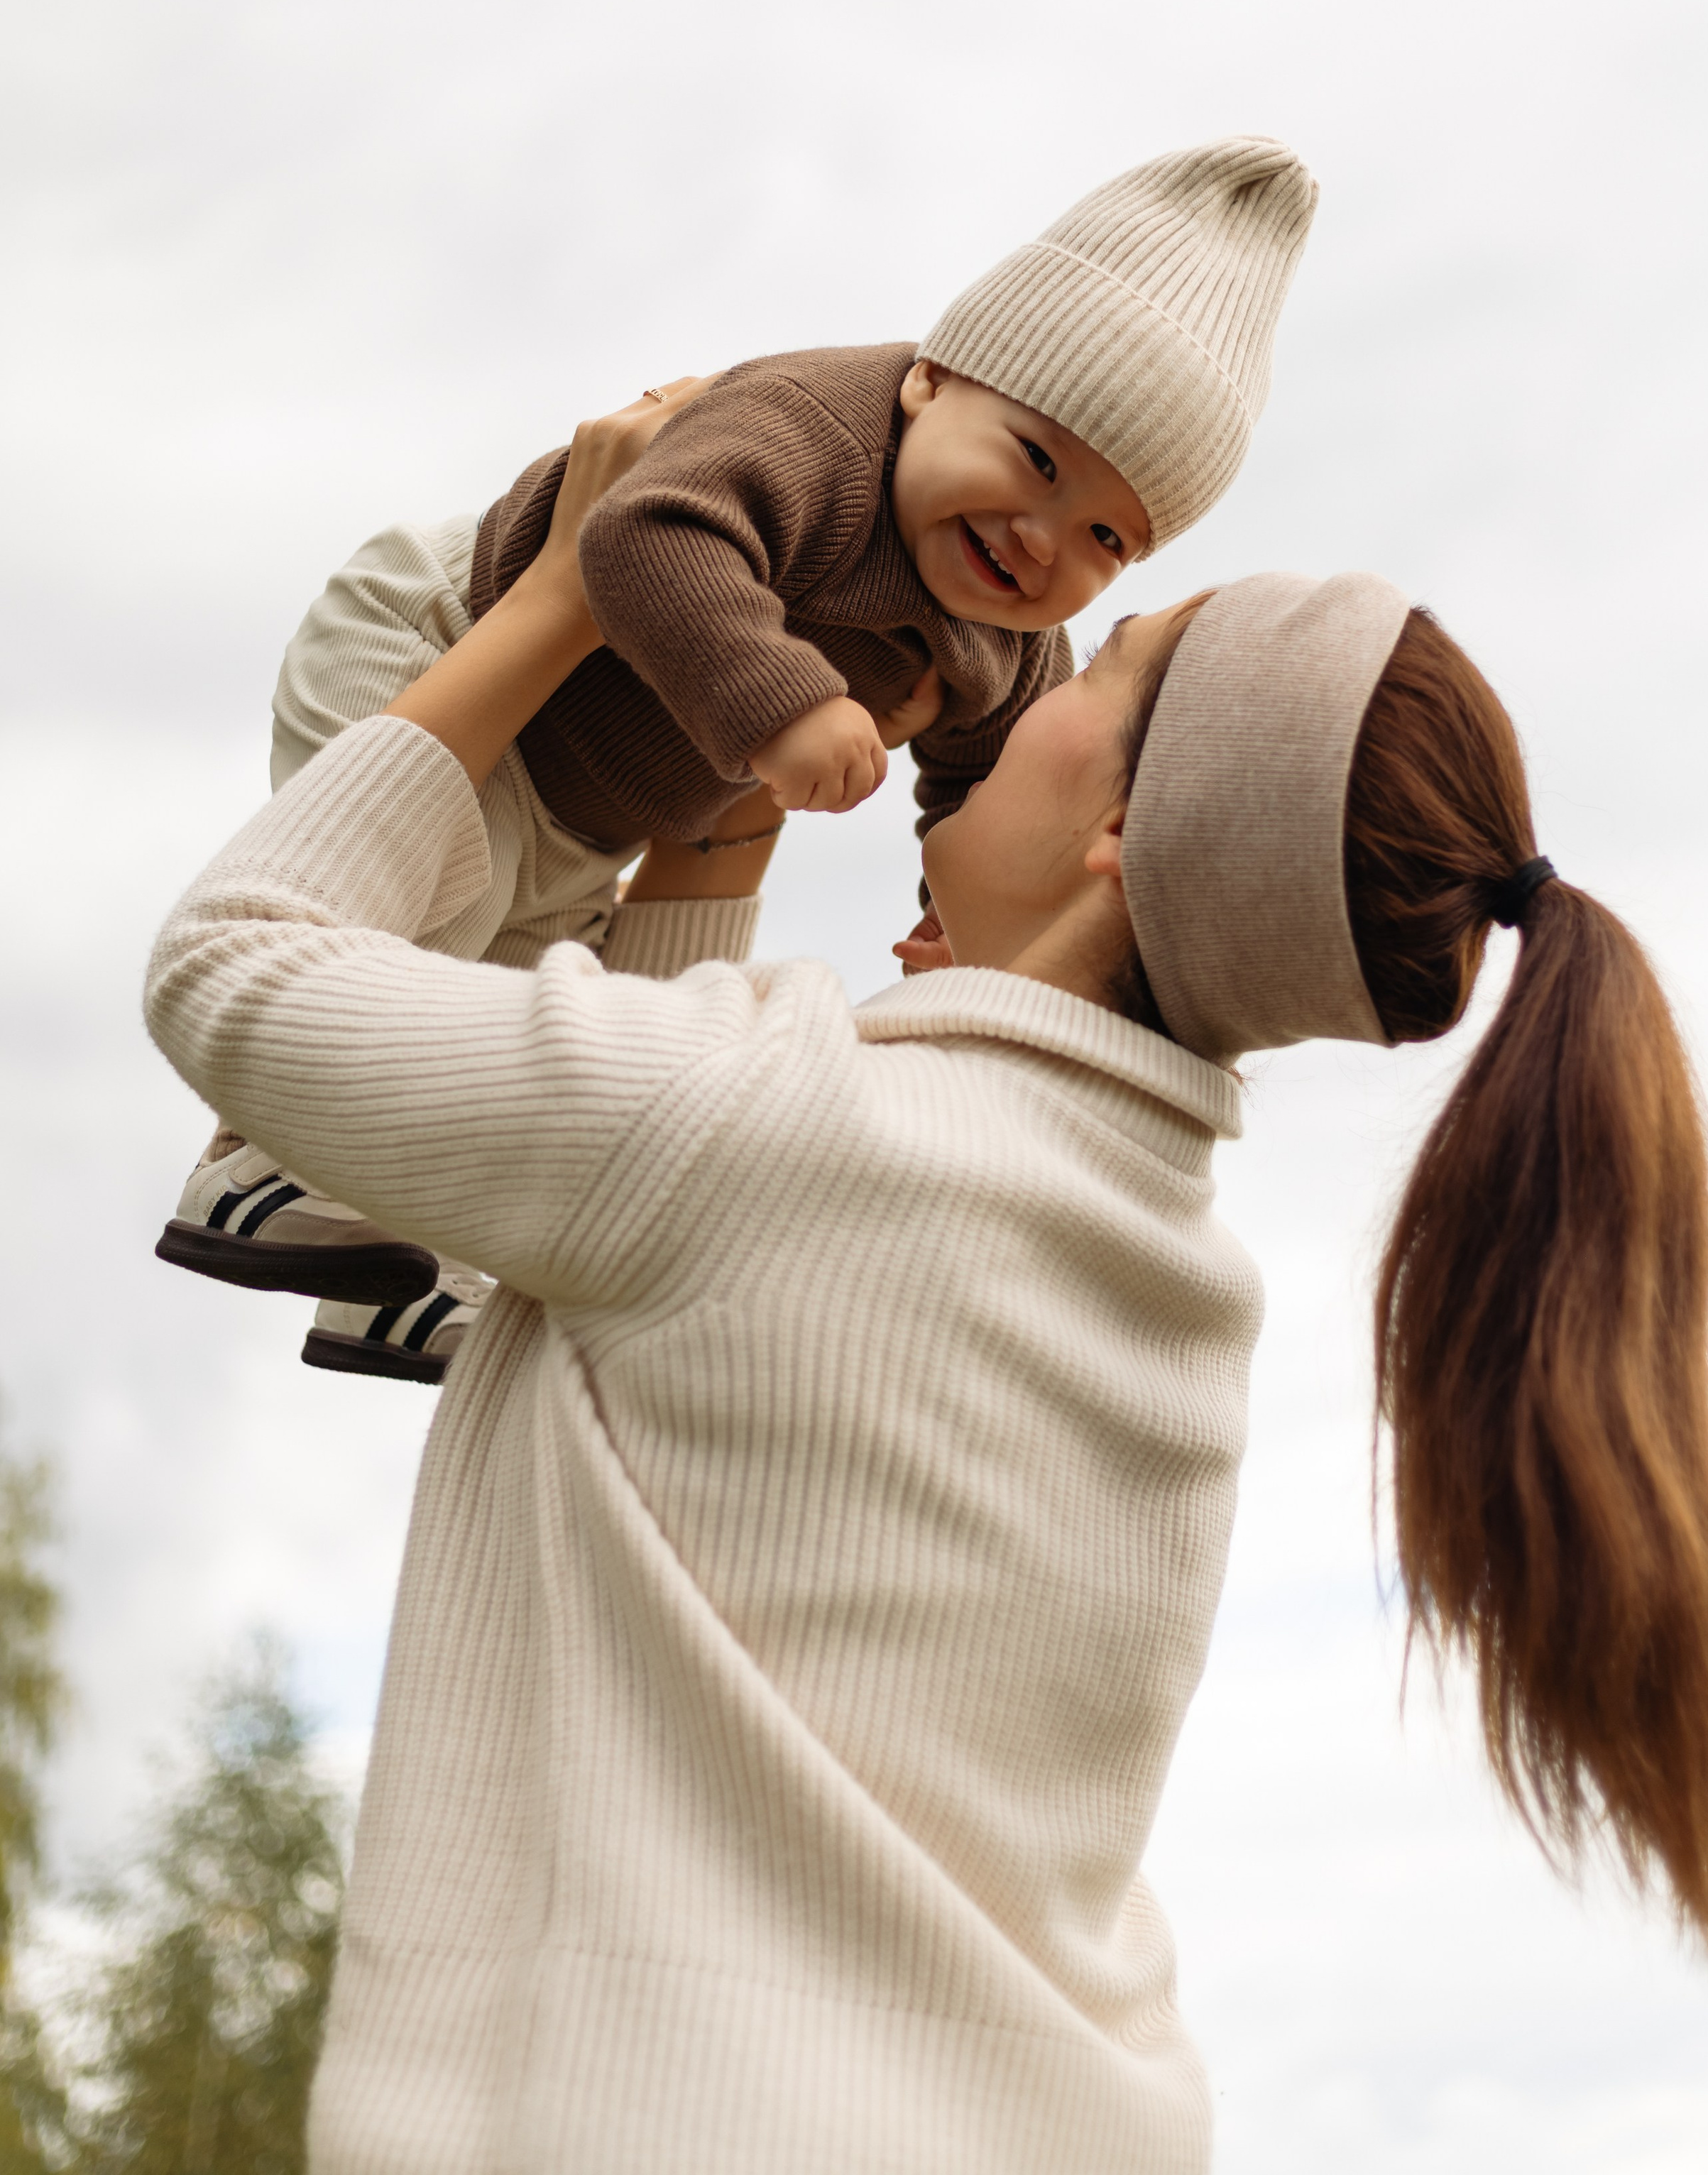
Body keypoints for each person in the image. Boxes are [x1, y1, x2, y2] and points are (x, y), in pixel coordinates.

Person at [143, 432, 1708, 2175]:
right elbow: (645, 1285)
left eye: (1112, 660)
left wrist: (556, 600)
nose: (1027, 678)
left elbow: (236, 960)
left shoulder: (766, 1132)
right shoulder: (1162, 1287)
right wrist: (717, 812)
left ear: (1125, 826)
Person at [153, 136, 1318, 1380]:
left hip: (587, 817)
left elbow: (985, 802)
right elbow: (650, 531)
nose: (1041, 541)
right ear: (931, 381)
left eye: (1104, 535)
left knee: (536, 1009)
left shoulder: (1005, 647)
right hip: (438, 643)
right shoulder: (816, 430)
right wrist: (785, 709)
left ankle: (392, 1270)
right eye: (1034, 460)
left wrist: (975, 950)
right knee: (434, 905)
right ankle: (266, 1160)